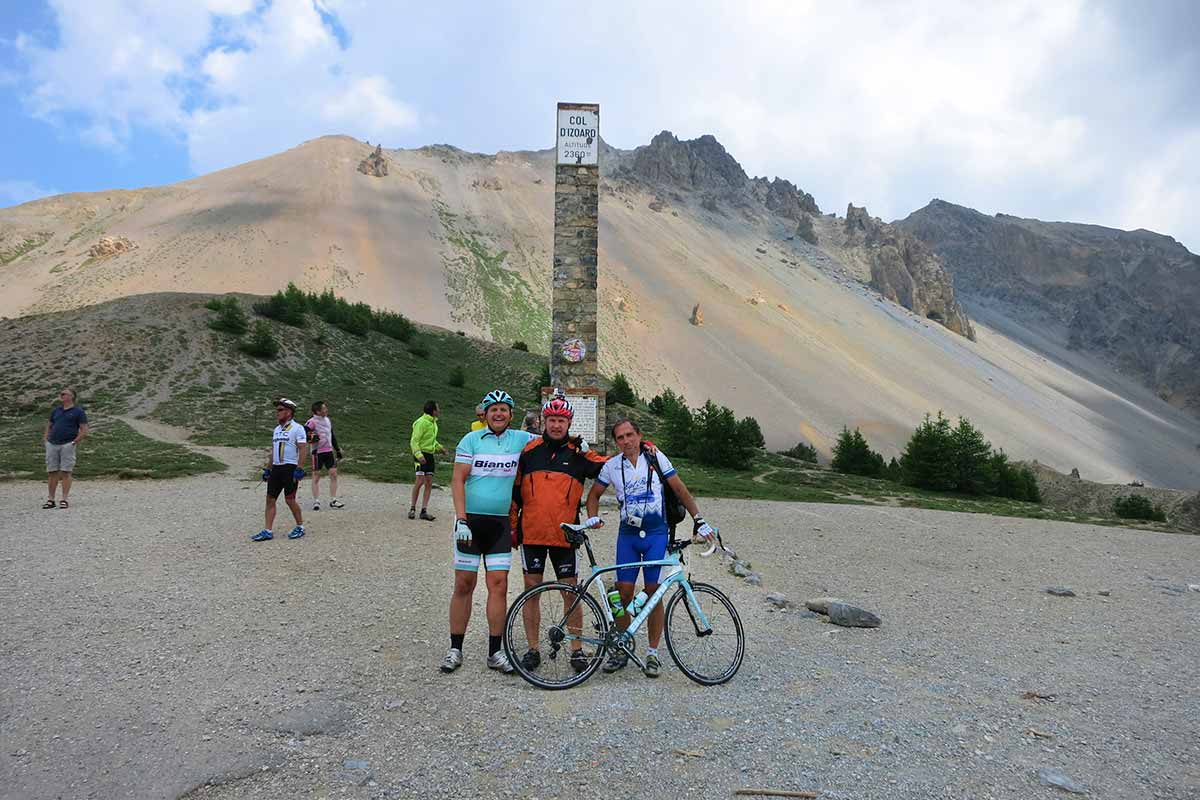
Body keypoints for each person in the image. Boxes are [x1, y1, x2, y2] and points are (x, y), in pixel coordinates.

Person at [585, 418, 716, 678]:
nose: (626, 441)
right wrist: (592, 516)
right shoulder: (612, 466)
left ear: (639, 435)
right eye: (620, 437)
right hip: (628, 537)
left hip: (656, 534)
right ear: (616, 441)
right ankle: (621, 647)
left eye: (630, 435)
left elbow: (679, 488)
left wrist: (699, 520)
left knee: (654, 593)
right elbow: (594, 495)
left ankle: (653, 653)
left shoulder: (655, 458)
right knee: (623, 594)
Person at [442, 389, 540, 675]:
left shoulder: (521, 439)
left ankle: (495, 652)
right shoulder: (470, 440)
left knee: (499, 586)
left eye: (504, 409)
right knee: (464, 584)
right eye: (493, 409)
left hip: (499, 524)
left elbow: (551, 439)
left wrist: (579, 443)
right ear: (484, 413)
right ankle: (455, 648)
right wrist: (460, 519)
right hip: (470, 523)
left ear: (512, 415)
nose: (499, 413)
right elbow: (457, 480)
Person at [510, 397, 608, 673]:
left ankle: (576, 650)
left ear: (569, 423)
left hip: (565, 536)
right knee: (531, 593)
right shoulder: (529, 452)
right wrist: (513, 527)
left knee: (572, 594)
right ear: (543, 421)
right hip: (532, 534)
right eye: (551, 420)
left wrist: (638, 448)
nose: (555, 425)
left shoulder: (579, 454)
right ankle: (532, 649)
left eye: (561, 421)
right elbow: (516, 492)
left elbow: (609, 467)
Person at [252, 398, 309, 542]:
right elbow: (273, 450)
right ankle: (267, 530)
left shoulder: (297, 428)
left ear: (289, 412)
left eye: (280, 410)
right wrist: (268, 469)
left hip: (290, 467)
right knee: (270, 499)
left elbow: (303, 448)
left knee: (290, 500)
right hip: (277, 468)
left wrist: (300, 468)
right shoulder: (276, 430)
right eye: (276, 410)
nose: (276, 413)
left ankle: (300, 526)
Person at [42, 387, 88, 509]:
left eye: (64, 393)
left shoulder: (78, 411)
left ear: (72, 396)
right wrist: (46, 439)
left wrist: (74, 442)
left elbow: (84, 429)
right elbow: (49, 425)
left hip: (67, 444)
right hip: (52, 444)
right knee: (52, 472)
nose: (61, 395)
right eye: (61, 393)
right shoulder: (56, 410)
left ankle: (64, 499)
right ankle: (51, 500)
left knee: (66, 472)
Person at [409, 400, 447, 521]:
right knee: (419, 481)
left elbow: (431, 440)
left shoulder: (433, 423)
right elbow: (414, 441)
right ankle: (412, 508)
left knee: (429, 482)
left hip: (429, 455)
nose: (439, 411)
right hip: (420, 454)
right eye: (438, 408)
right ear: (433, 410)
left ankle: (424, 510)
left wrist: (440, 448)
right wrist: (419, 455)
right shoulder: (421, 422)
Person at [305, 401, 344, 510]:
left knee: (333, 474)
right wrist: (312, 437)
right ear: (318, 411)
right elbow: (304, 432)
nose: (326, 410)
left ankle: (333, 500)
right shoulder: (312, 422)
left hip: (328, 451)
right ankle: (316, 501)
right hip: (317, 452)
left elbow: (332, 435)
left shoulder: (327, 420)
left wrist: (337, 450)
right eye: (324, 408)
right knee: (316, 476)